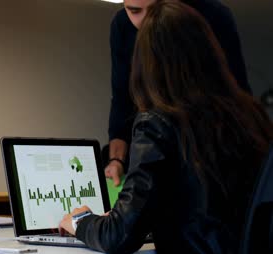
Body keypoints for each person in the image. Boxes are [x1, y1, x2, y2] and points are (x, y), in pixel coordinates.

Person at [59, 1, 273, 254]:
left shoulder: (157, 125)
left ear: (146, 61)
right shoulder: (251, 118)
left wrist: (80, 220)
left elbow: (119, 237)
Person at [105, 0, 252, 187]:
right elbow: (121, 99)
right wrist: (116, 160)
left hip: (214, 153)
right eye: (134, 11)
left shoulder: (213, 15)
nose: (148, 22)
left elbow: (238, 94)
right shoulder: (122, 27)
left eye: (156, 11)